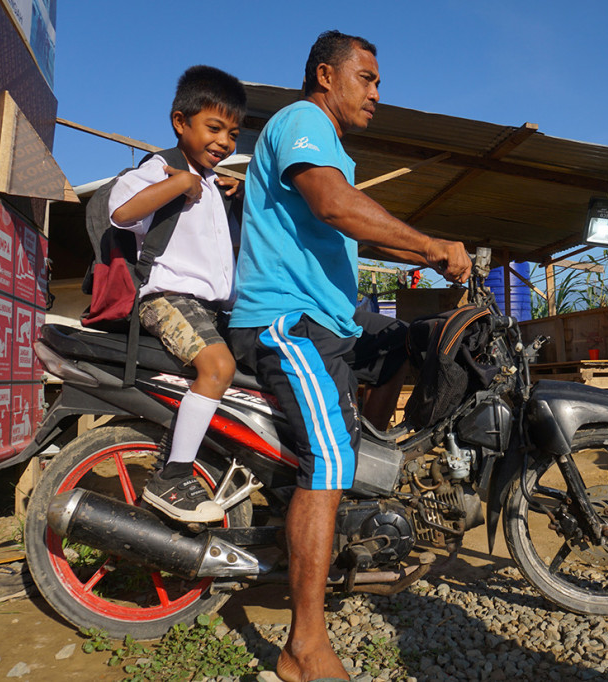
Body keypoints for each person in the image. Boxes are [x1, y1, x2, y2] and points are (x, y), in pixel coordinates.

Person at [228, 30, 470, 682]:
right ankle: (302, 647)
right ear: (325, 75)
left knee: (408, 346)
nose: (376, 93)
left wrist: (425, 268)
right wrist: (430, 247)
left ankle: (362, 483)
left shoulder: (329, 144)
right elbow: (336, 207)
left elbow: (346, 223)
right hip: (286, 322)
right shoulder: (302, 121)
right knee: (329, 456)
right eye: (367, 78)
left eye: (379, 81)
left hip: (330, 319)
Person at [109, 65, 248, 524]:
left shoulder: (212, 184)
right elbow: (122, 212)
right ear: (180, 122)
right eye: (213, 128)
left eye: (232, 133)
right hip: (165, 298)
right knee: (219, 365)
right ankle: (172, 474)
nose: (224, 142)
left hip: (207, 306)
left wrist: (222, 192)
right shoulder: (161, 167)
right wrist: (177, 183)